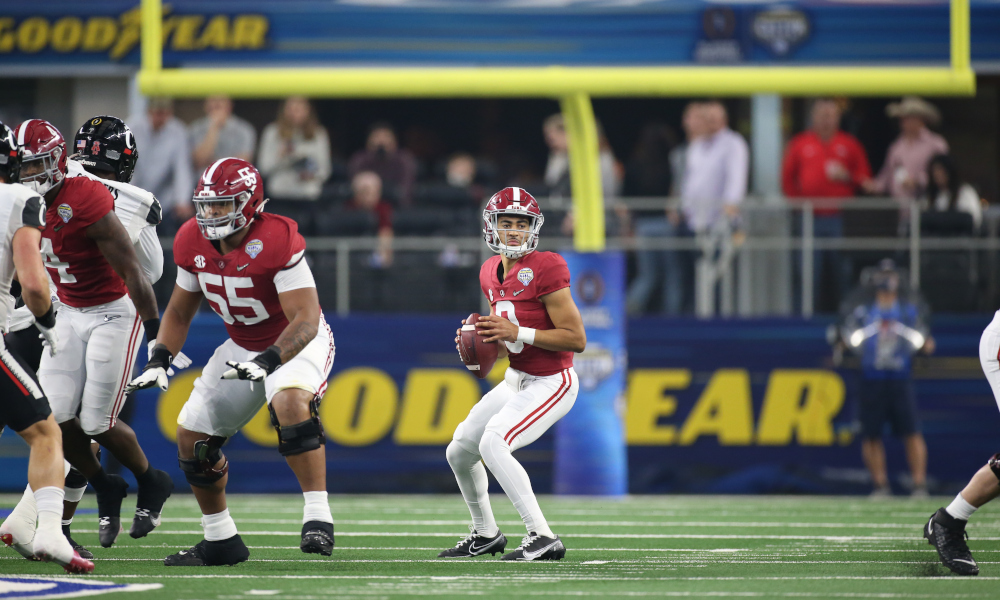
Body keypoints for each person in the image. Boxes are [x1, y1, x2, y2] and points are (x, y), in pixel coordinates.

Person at [126, 157, 336, 567]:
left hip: (292, 341)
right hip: (240, 345)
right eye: (207, 205)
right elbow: (180, 312)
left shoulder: (277, 236)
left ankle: (318, 517)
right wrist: (159, 357)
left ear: (250, 203)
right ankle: (220, 539)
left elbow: (306, 319)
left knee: (290, 403)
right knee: (192, 437)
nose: (212, 213)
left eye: (223, 204)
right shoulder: (192, 239)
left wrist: (271, 359)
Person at [15, 119, 168, 549]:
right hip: (57, 308)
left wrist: (157, 341)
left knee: (96, 421)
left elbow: (143, 271)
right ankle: (84, 504)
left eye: (37, 165)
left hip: (109, 310)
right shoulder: (19, 194)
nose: (29, 174)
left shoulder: (90, 194)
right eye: (22, 166)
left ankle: (147, 482)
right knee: (54, 420)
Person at [440, 187, 586, 561]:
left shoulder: (548, 266)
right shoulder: (489, 270)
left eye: (522, 224)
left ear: (533, 228)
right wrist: (484, 340)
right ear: (492, 226)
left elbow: (576, 339)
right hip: (516, 378)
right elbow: (507, 334)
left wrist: (513, 334)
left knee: (493, 443)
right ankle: (486, 533)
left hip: (553, 380)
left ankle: (542, 536)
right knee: (459, 450)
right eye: (507, 223)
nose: (515, 231)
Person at [0, 121, 94, 574]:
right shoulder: (20, 200)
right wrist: (47, 319)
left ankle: (26, 525)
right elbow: (35, 284)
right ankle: (53, 533)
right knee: (46, 432)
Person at [836, 260, 932, 498]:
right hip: (872, 376)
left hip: (899, 376)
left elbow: (924, 340)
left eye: (891, 275)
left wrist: (924, 344)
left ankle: (919, 485)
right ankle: (880, 485)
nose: (887, 281)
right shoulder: (864, 311)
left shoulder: (908, 311)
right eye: (883, 275)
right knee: (871, 433)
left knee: (911, 431)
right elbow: (847, 338)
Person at [783, 98, 872, 310]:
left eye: (830, 115)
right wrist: (799, 205)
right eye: (821, 114)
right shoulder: (800, 143)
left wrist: (847, 176)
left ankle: (846, 319)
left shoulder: (849, 144)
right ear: (813, 117)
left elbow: (866, 179)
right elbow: (787, 180)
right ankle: (802, 322)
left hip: (839, 219)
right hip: (808, 219)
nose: (825, 119)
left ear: (838, 117)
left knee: (842, 272)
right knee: (806, 273)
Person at [627, 104, 704, 315]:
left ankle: (626, 314)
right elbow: (678, 188)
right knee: (673, 275)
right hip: (667, 223)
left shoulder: (635, 164)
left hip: (643, 225)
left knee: (648, 275)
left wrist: (629, 226)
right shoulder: (674, 159)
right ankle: (672, 318)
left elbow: (626, 199)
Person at [864, 96, 948, 203]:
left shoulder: (935, 144)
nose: (903, 122)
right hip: (899, 207)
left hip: (927, 204)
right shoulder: (896, 147)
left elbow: (944, 173)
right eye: (902, 119)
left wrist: (918, 181)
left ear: (920, 120)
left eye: (907, 118)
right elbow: (886, 175)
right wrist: (874, 186)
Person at [129, 97, 195, 231]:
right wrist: (128, 197)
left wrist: (182, 201)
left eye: (165, 113)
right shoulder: (132, 128)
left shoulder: (178, 130)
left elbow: (182, 168)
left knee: (171, 234)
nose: (161, 118)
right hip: (136, 195)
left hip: (166, 200)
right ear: (149, 112)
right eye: (158, 113)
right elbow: (127, 167)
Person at [257, 97, 332, 202]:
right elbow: (263, 169)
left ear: (308, 110)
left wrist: (312, 174)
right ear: (284, 110)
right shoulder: (272, 132)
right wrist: (280, 156)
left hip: (308, 194)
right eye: (291, 108)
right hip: (279, 194)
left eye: (299, 108)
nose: (295, 113)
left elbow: (325, 171)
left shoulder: (319, 133)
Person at [348, 122, 417, 204]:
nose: (381, 141)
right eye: (376, 136)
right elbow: (356, 187)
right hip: (366, 205)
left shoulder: (404, 160)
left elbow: (406, 189)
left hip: (397, 206)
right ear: (368, 141)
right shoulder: (359, 160)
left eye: (386, 136)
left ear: (395, 141)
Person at [189, 96, 257, 172]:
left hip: (234, 180)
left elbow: (242, 164)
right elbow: (199, 161)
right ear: (205, 105)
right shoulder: (196, 128)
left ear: (230, 104)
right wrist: (213, 128)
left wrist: (212, 163)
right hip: (203, 180)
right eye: (212, 100)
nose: (216, 104)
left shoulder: (244, 129)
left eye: (221, 101)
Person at [923, 153, 982, 231]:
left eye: (940, 170)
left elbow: (974, 220)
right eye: (934, 171)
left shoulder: (965, 192)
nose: (937, 174)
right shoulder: (931, 196)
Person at [348, 171, 393, 268]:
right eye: (365, 193)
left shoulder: (383, 209)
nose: (369, 197)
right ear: (356, 194)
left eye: (373, 192)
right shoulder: (347, 209)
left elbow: (385, 232)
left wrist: (382, 255)